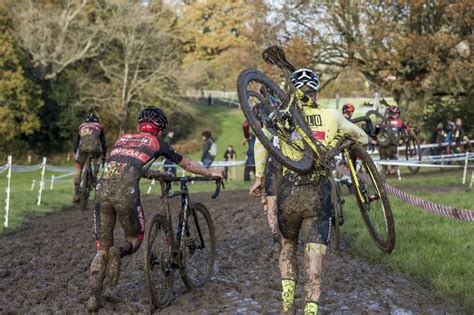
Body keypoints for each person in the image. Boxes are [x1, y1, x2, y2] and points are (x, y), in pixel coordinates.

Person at [250, 68, 368, 314]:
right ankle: (311, 310)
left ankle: (286, 305)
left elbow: (263, 145)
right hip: (319, 192)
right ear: (316, 92)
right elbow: (363, 138)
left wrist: (259, 178)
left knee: (288, 246)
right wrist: (340, 139)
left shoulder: (282, 119)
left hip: (289, 191)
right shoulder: (332, 115)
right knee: (315, 258)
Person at [86, 106, 223, 311]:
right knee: (135, 239)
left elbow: (126, 164)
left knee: (101, 249)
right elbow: (186, 163)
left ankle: (94, 297)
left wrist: (150, 173)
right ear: (159, 128)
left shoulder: (122, 139)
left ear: (140, 124)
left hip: (101, 191)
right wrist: (210, 172)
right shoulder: (157, 142)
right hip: (126, 194)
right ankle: (120, 251)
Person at [73, 113, 106, 203]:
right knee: (98, 158)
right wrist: (104, 157)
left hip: (82, 149)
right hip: (96, 149)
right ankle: (95, 175)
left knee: (78, 170)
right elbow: (103, 143)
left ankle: (76, 193)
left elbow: (76, 142)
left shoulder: (81, 126)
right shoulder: (99, 126)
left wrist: (75, 153)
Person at [377, 105, 403, 176]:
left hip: (384, 146)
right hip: (390, 147)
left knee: (385, 168)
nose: (396, 114)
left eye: (397, 113)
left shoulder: (383, 122)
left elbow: (376, 131)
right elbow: (403, 133)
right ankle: (388, 173)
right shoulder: (399, 122)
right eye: (395, 113)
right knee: (394, 166)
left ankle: (384, 176)